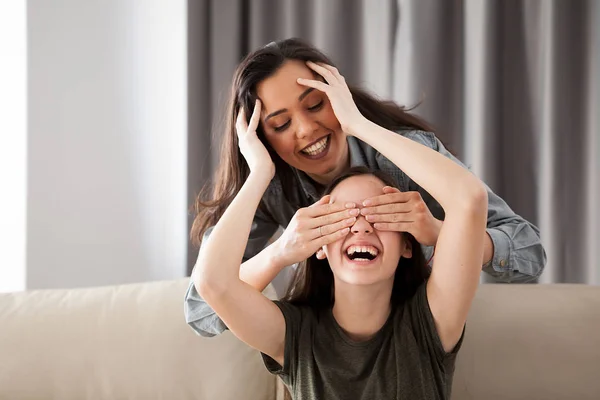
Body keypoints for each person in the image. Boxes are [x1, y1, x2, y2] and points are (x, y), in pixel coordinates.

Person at [185, 38, 546, 337]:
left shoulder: (405, 156)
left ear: (339, 96)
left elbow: (529, 252)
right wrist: (281, 248)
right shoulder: (272, 188)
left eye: (316, 105)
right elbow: (202, 309)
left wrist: (441, 234)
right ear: (261, 139)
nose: (306, 130)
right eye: (280, 125)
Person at [192, 62, 489, 398]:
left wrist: (359, 125)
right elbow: (212, 285)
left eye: (378, 214)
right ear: (319, 246)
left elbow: (469, 198)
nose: (361, 225)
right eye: (343, 217)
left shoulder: (430, 323)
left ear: (408, 246)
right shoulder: (294, 335)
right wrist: (260, 172)